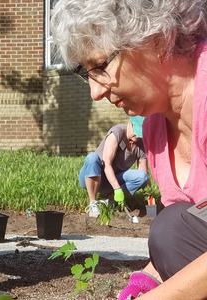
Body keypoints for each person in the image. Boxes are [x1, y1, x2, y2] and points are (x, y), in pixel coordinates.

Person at [51, 0, 207, 299]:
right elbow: (182, 244)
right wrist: (139, 287)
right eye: (87, 73)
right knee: (171, 228)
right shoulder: (156, 129)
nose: (95, 92)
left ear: (156, 39)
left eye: (100, 67)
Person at [79, 117, 148, 217]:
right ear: (130, 124)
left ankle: (109, 201)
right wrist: (117, 189)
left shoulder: (140, 144)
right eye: (135, 131)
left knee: (142, 176)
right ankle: (92, 203)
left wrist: (146, 196)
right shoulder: (117, 132)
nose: (136, 136)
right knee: (92, 157)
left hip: (113, 180)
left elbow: (143, 171)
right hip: (94, 175)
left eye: (140, 133)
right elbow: (107, 164)